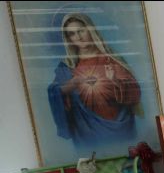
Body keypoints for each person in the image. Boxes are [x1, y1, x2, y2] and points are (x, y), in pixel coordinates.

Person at [47, 13, 141, 148]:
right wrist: (72, 84)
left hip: (119, 128)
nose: (78, 37)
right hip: (85, 131)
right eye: (72, 34)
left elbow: (135, 93)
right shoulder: (67, 66)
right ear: (69, 39)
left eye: (81, 31)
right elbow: (54, 92)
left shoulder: (110, 59)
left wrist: (114, 81)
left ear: (90, 30)